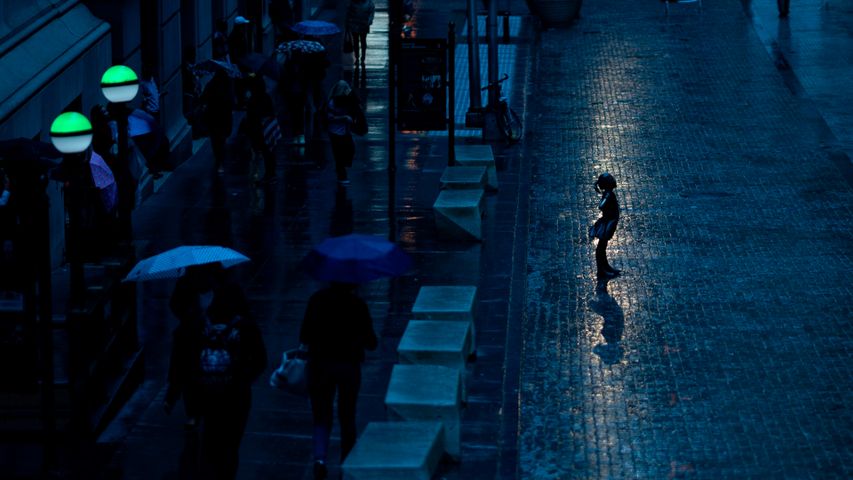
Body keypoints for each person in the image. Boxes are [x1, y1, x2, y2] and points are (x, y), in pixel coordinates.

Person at [300, 282, 377, 480]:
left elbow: (304, 335)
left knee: (321, 415)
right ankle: (346, 461)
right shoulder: (357, 304)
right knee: (347, 415)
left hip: (319, 366)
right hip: (348, 367)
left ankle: (320, 459)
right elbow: (372, 343)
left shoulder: (316, 300)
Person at [197, 283, 266, 480]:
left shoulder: (203, 323)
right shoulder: (247, 326)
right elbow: (261, 360)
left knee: (210, 440)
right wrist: (244, 378)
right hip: (237, 394)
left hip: (209, 391)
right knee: (231, 445)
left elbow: (190, 357)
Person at [164, 263, 225, 430]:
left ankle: (196, 405)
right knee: (190, 373)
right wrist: (189, 315)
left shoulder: (219, 287)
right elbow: (175, 305)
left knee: (207, 372)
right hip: (190, 336)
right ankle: (192, 411)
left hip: (212, 337)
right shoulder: (185, 285)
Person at [324, 80, 362, 185]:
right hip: (335, 132)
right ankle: (341, 175)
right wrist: (344, 118)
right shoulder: (332, 102)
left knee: (350, 149)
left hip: (345, 131)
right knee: (338, 154)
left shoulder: (348, 101)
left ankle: (342, 168)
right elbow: (329, 117)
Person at [243, 74, 278, 184]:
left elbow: (254, 114)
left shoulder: (256, 99)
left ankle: (268, 174)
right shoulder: (265, 97)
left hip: (259, 129)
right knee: (268, 152)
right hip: (264, 129)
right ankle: (270, 174)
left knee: (265, 152)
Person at [201, 70, 235, 174]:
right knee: (220, 140)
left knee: (216, 140)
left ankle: (219, 160)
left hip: (217, 117)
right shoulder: (226, 84)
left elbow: (203, 98)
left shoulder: (213, 84)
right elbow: (232, 101)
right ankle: (220, 161)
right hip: (221, 117)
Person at [592, 172, 620, 279]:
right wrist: (606, 199)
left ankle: (605, 267)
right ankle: (601, 270)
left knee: (603, 246)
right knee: (601, 247)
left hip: (610, 221)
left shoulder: (609, 193)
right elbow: (601, 205)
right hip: (607, 223)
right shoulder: (608, 194)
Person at [346, 0, 375, 69]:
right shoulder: (353, 3)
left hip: (363, 24)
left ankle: (362, 58)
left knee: (362, 41)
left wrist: (369, 20)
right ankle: (358, 57)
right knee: (357, 41)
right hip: (355, 24)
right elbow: (348, 12)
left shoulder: (368, 3)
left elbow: (371, 12)